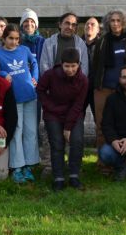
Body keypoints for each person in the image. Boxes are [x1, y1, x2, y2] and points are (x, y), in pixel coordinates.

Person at [0, 24, 40, 183]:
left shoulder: (24, 50)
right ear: (4, 38)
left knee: (31, 131)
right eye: (10, 38)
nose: (14, 42)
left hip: (30, 95)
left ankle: (29, 164)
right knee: (17, 131)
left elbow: (34, 63)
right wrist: (4, 74)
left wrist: (35, 78)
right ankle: (17, 166)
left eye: (17, 39)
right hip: (13, 99)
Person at [38, 48, 89, 191]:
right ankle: (58, 178)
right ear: (61, 64)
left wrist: (68, 127)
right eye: (67, 66)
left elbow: (79, 104)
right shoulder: (50, 75)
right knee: (57, 144)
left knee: (77, 141)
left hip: (73, 114)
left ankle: (74, 176)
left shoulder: (83, 80)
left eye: (73, 66)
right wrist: (49, 106)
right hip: (53, 114)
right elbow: (40, 90)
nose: (70, 69)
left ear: (78, 64)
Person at [91, 10, 126, 150]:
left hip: (125, 89)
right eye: (112, 20)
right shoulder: (102, 41)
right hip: (103, 88)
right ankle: (103, 163)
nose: (115, 23)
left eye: (118, 20)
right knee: (101, 125)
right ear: (108, 23)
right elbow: (95, 65)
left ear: (124, 22)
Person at [39, 12, 89, 77]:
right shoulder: (48, 43)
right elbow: (44, 66)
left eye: (73, 25)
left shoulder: (81, 44)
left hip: (74, 85)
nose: (70, 27)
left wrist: (77, 84)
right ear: (60, 24)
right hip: (53, 84)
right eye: (67, 23)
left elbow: (84, 68)